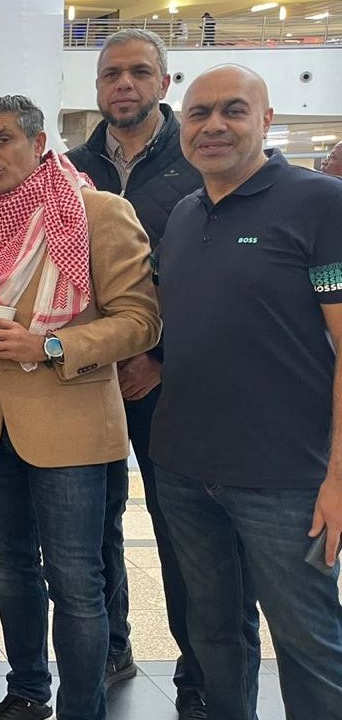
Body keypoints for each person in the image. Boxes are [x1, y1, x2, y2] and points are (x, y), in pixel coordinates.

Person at [0, 95, 161, 720]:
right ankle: (26, 693)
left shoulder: (95, 212)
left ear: (39, 142)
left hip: (71, 426)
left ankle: (83, 709)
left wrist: (49, 344)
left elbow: (141, 321)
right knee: (14, 569)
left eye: (3, 141)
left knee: (76, 583)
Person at [152, 64, 342, 720]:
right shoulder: (182, 213)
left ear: (266, 120)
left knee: (309, 642)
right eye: (198, 113)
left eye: (233, 110)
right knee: (213, 635)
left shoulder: (320, 204)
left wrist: (338, 477)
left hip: (287, 478)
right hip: (184, 469)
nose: (213, 126)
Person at [64, 28, 212, 718]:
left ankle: (198, 668)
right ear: (97, 88)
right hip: (86, 382)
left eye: (138, 73)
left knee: (182, 532)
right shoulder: (66, 169)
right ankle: (112, 645)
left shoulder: (199, 157)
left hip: (169, 386)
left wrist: (159, 357)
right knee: (92, 527)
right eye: (111, 75)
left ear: (164, 82)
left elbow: (211, 282)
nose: (123, 85)